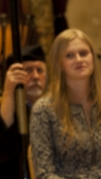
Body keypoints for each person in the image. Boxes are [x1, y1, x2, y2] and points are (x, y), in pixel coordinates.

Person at [30, 29, 101, 179]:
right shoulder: (44, 110)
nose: (79, 60)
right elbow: (44, 173)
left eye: (83, 53)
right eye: (69, 55)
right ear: (59, 64)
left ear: (92, 58)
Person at [0, 44, 47, 179]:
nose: (36, 76)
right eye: (28, 70)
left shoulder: (55, 111)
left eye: (40, 70)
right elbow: (0, 152)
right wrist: (9, 91)